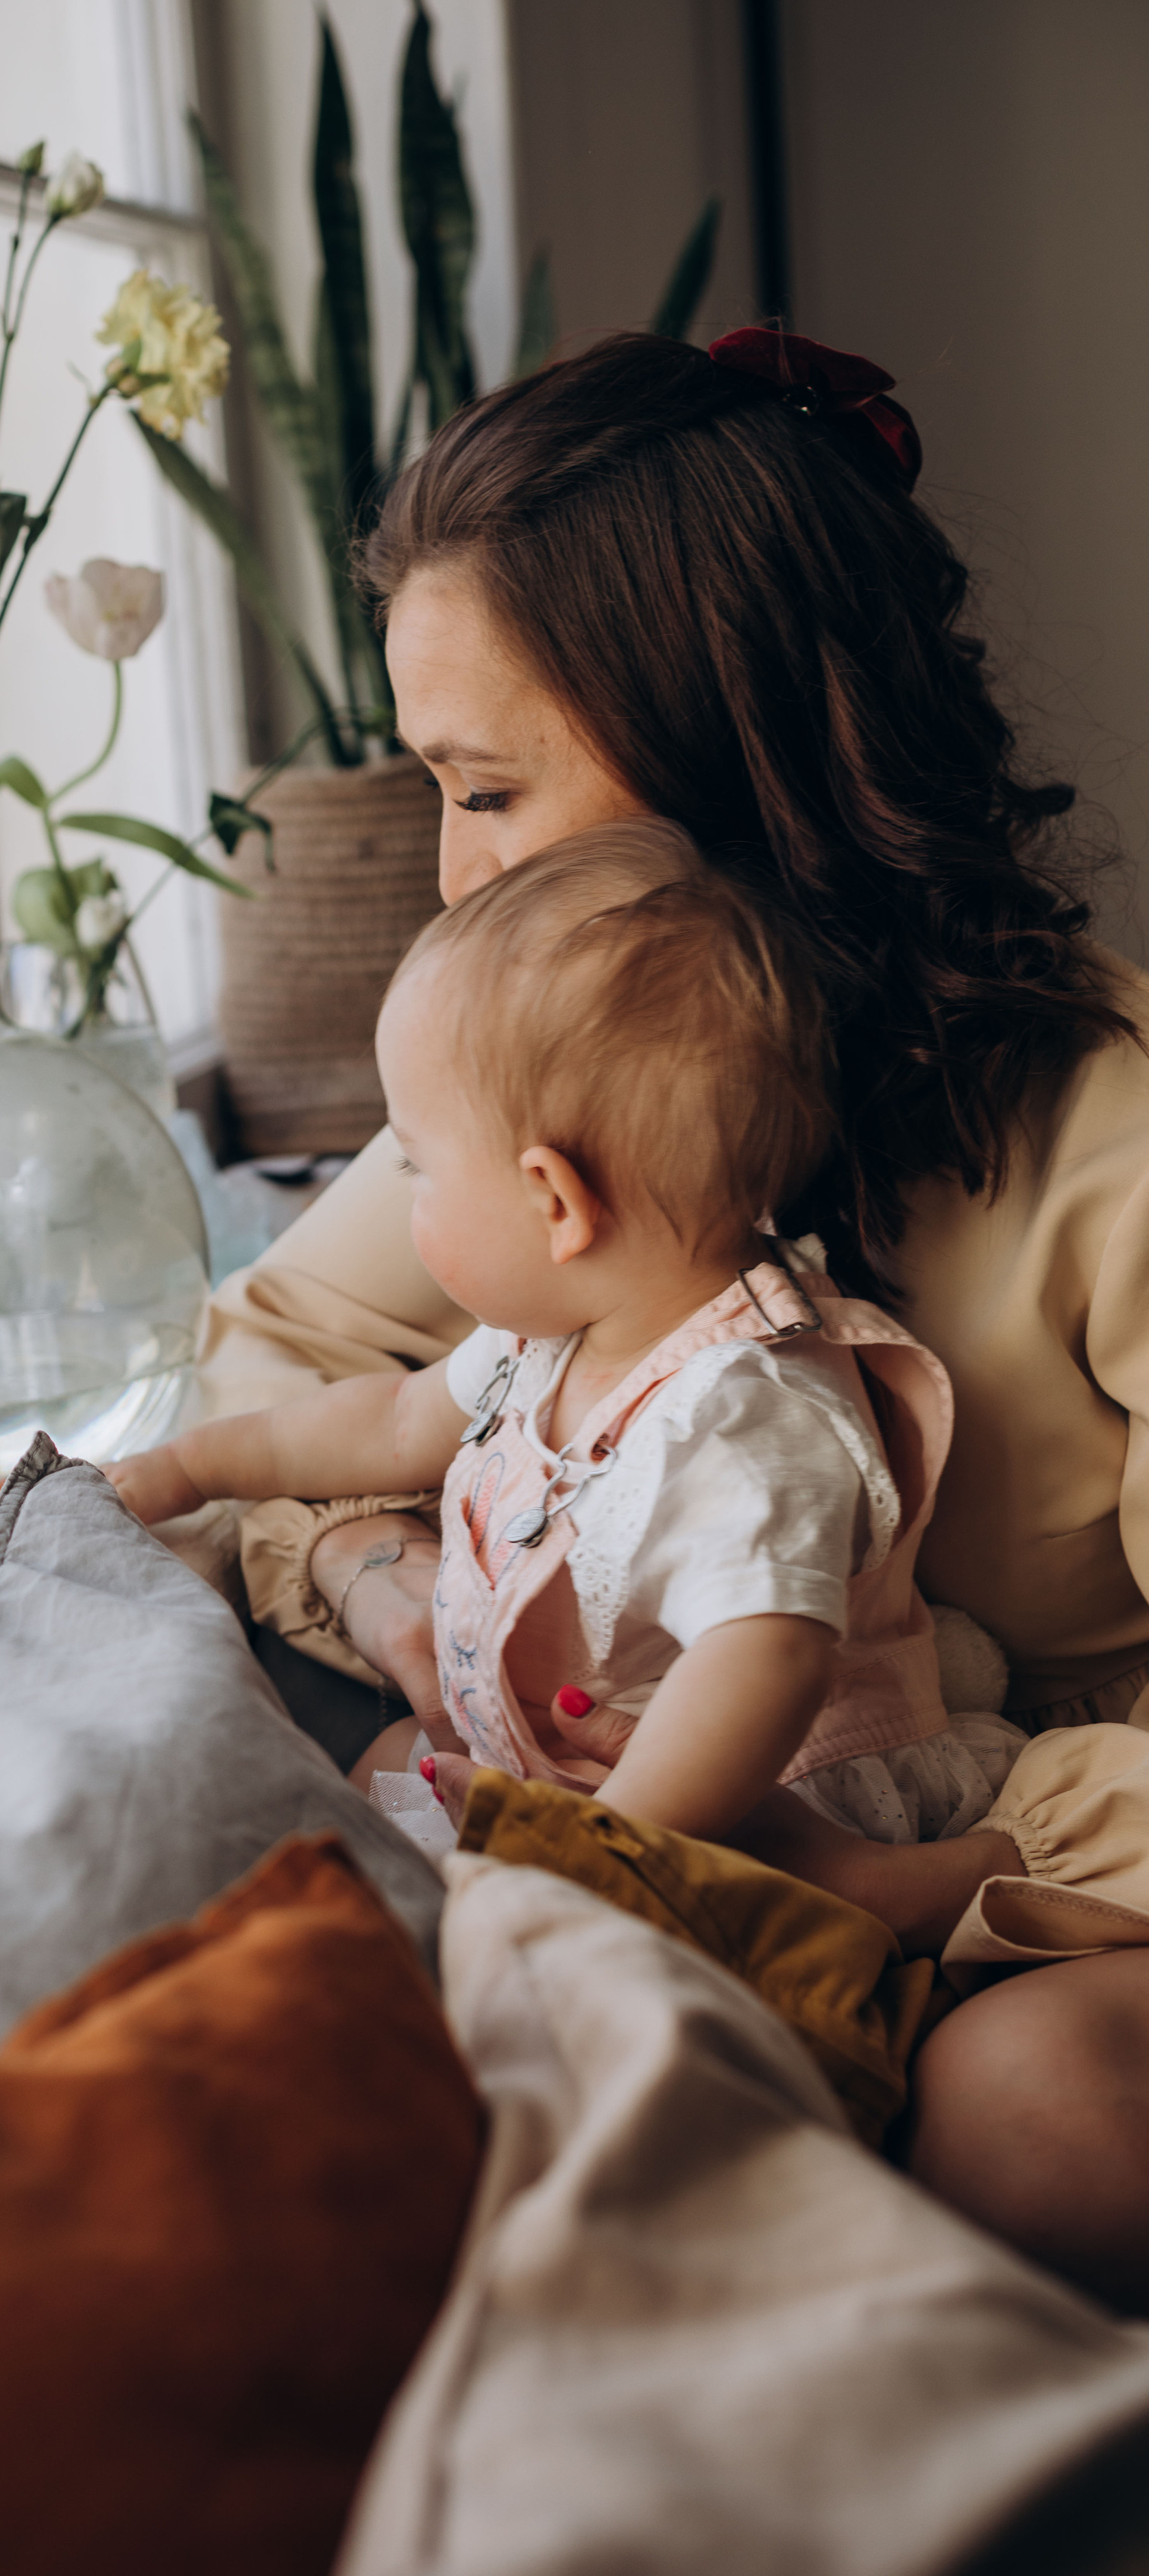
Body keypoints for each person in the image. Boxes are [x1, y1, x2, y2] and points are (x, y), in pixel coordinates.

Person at [191, 328, 1149, 2310]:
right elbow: (270, 1359)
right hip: (708, 1863)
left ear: (738, 757)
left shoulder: (1109, 1141)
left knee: (1044, 2117)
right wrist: (390, 1588)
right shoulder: (553, 1078)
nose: (451, 885)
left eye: (484, 790)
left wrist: (925, 1873)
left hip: (1045, 1876)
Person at [116, 824, 1028, 1863]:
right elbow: (396, 1419)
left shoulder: (743, 1416)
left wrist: (604, 1845)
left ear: (554, 1201)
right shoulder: (545, 1336)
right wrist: (192, 1466)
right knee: (369, 1778)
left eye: (417, 1166)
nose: (403, 1193)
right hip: (550, 1754)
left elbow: (765, 1662)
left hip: (739, 1806)